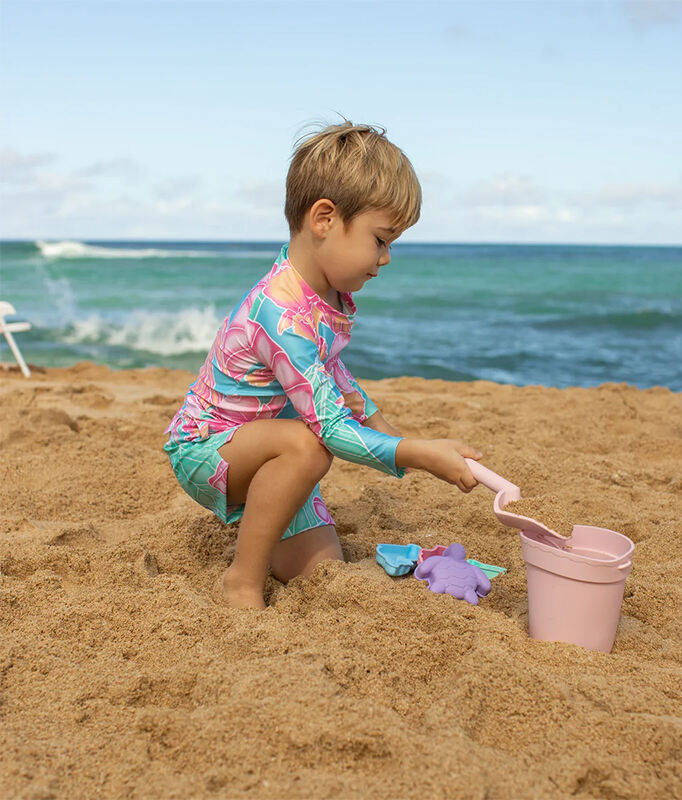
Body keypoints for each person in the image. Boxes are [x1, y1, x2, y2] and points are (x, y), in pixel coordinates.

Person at [163, 119, 483, 609]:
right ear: (325, 219)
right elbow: (330, 427)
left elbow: (329, 368)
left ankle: (264, 512)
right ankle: (242, 579)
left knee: (322, 570)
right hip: (209, 449)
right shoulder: (279, 311)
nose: (387, 258)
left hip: (269, 447)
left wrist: (381, 424)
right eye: (381, 239)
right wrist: (415, 452)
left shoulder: (325, 294)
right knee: (309, 447)